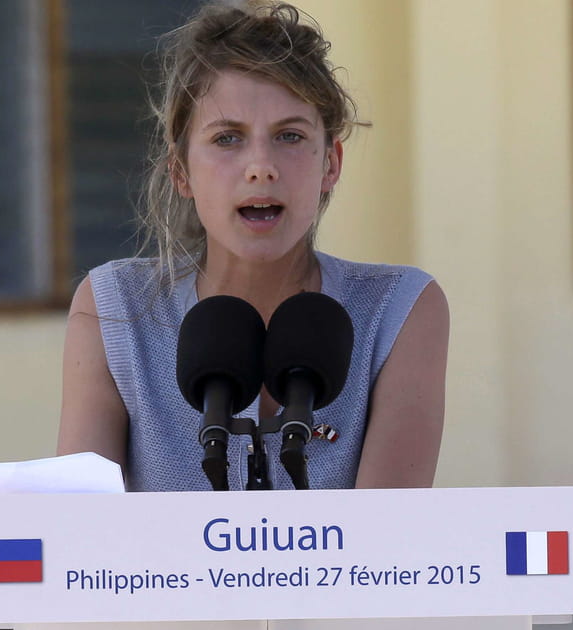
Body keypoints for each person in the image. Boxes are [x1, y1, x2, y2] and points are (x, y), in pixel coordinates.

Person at [57, 1, 448, 492]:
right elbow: (76, 534)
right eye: (227, 139)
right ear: (181, 171)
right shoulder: (114, 308)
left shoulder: (400, 309)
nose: (260, 166)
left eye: (289, 135)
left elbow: (387, 539)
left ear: (331, 163)